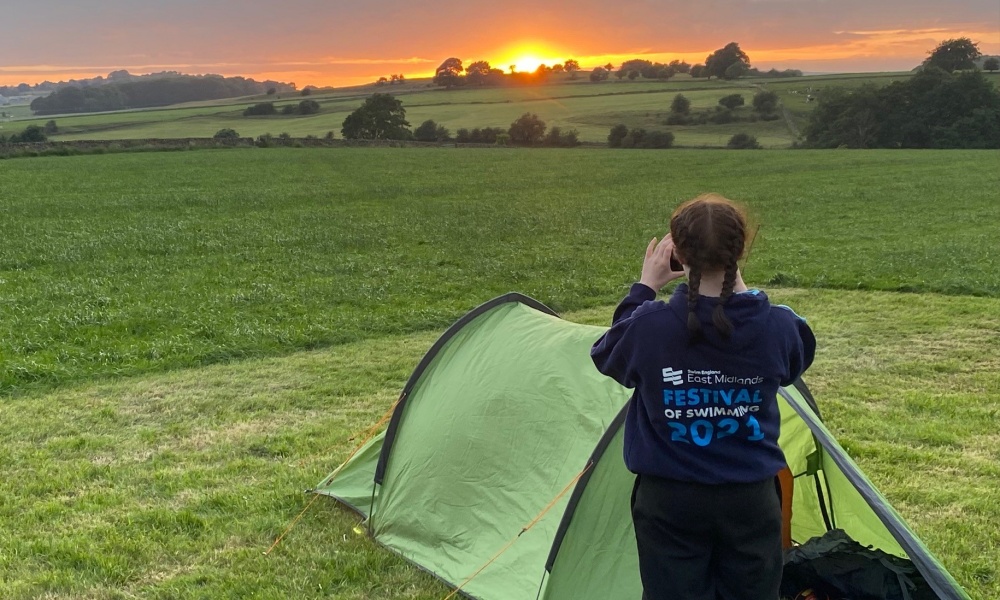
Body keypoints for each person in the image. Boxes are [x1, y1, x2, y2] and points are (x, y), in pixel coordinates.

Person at [590, 194, 816, 600]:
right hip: (750, 498)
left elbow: (609, 355)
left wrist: (644, 288)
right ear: (743, 247)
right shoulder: (780, 326)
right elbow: (794, 364)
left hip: (669, 500)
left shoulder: (649, 325)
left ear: (676, 252)